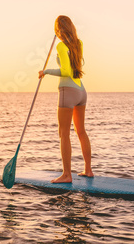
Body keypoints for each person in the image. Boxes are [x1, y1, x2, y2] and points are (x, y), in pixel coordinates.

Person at [39, 15, 94, 183]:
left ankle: (67, 175)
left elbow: (66, 72)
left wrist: (46, 72)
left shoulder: (62, 46)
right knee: (81, 131)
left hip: (67, 91)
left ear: (59, 30)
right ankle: (88, 170)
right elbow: (73, 68)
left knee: (64, 133)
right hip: (81, 90)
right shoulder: (79, 43)